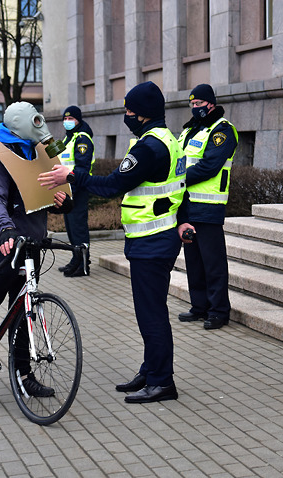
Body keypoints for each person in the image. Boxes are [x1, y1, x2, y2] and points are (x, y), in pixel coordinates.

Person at [39, 81, 185, 404]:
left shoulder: (148, 148)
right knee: (151, 311)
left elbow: (112, 185)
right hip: (155, 239)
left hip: (152, 241)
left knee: (151, 314)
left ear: (144, 114)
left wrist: (71, 176)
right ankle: (151, 370)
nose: (127, 115)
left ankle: (162, 381)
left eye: (130, 111)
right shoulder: (168, 141)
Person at [0, 101, 72, 398]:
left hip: (32, 239)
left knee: (24, 310)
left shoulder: (36, 150)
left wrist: (63, 201)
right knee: (3, 277)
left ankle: (24, 374)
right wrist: (5, 229)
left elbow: (45, 190)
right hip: (5, 236)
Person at [175, 84, 238, 330]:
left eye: (199, 103)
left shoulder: (222, 130)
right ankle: (199, 306)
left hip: (209, 207)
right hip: (187, 204)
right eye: (192, 104)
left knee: (213, 264)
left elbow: (210, 166)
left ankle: (219, 311)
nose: (195, 108)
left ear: (211, 104)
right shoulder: (189, 130)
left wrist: (177, 180)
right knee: (194, 262)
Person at [55, 105, 95, 277]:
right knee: (71, 228)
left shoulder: (82, 139)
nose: (67, 122)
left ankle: (83, 264)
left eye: (71, 119)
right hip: (67, 190)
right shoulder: (67, 139)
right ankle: (75, 258)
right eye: (65, 119)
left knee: (78, 228)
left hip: (78, 189)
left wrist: (72, 190)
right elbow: (51, 155)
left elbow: (82, 168)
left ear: (78, 120)